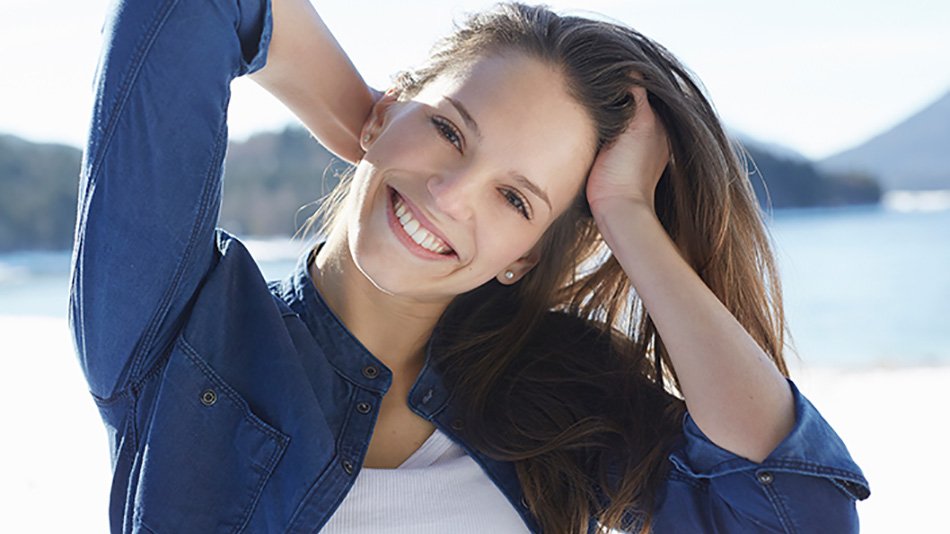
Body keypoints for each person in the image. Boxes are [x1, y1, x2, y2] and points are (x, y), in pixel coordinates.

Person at [69, 0, 869, 532]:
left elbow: (797, 512)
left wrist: (626, 216)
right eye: (451, 131)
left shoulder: (554, 409)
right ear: (392, 104)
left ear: (525, 261)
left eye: (516, 200)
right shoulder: (178, 336)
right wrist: (376, 132)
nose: (451, 195)